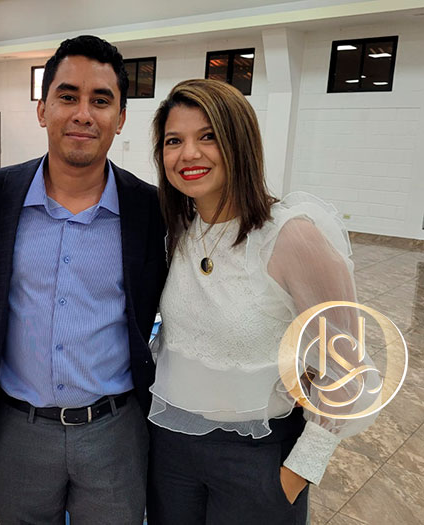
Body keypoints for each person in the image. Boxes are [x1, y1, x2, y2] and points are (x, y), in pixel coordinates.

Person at [145, 78, 380, 524]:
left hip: (257, 456)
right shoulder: (179, 231)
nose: (188, 154)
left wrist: (298, 472)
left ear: (240, 143)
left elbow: (347, 368)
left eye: (208, 136)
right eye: (174, 141)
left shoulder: (290, 235)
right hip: (171, 448)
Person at [0, 35, 167, 524]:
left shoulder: (149, 208)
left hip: (114, 432)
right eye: (68, 96)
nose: (83, 113)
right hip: (19, 431)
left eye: (100, 100)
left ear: (120, 118)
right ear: (42, 110)